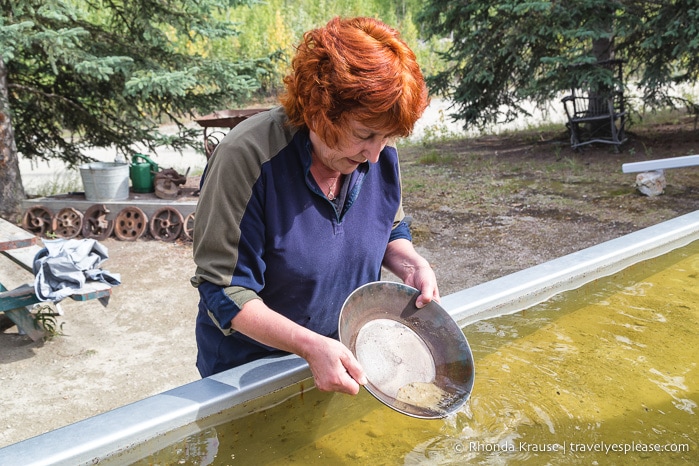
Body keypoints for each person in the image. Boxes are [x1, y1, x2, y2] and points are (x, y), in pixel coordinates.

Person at [191, 16, 439, 395]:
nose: (374, 156)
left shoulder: (377, 155)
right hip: (250, 369)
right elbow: (225, 291)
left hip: (339, 353)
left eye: (387, 137)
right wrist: (308, 346)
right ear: (319, 109)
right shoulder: (247, 159)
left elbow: (389, 227)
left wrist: (412, 264)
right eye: (364, 134)